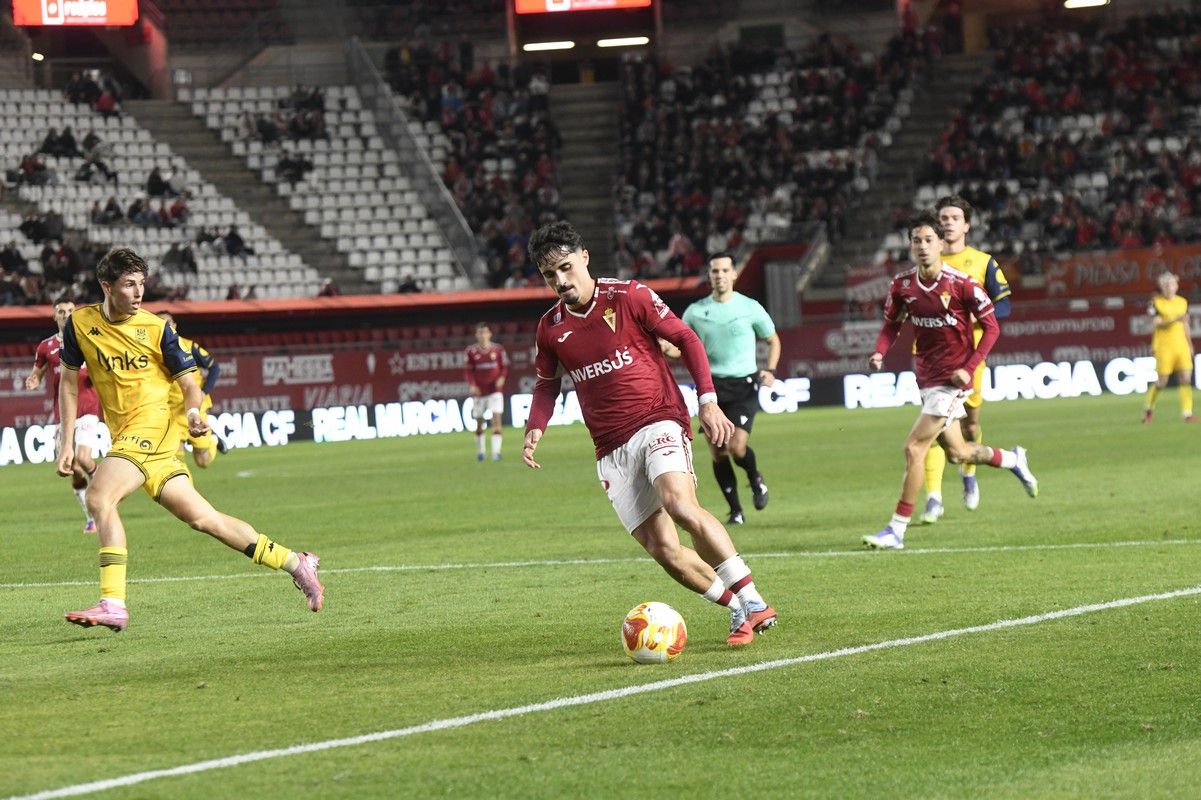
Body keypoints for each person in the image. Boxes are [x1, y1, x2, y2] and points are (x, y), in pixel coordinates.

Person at [521, 221, 777, 647]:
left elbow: (686, 339)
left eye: (566, 267)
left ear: (585, 257)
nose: (561, 281)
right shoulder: (550, 328)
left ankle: (753, 599)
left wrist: (707, 401)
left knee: (679, 504)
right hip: (609, 447)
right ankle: (735, 608)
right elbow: (547, 383)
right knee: (663, 549)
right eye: (550, 275)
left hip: (658, 418)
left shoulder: (629, 295)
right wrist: (535, 427)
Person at [55, 248, 323, 632]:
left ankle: (112, 602)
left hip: (152, 428)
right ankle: (297, 563)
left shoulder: (156, 329)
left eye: (142, 284)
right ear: (106, 286)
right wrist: (66, 444)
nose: (138, 292)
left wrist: (195, 414)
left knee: (99, 497)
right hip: (133, 437)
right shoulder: (80, 324)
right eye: (129, 284)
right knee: (204, 518)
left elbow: (189, 385)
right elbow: (67, 384)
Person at [863, 213, 1038, 551]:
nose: (923, 246)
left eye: (929, 240)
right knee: (957, 453)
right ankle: (1013, 459)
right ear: (911, 246)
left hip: (953, 380)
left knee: (914, 447)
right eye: (917, 241)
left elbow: (992, 327)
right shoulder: (902, 285)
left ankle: (896, 529)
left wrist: (970, 368)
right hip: (926, 377)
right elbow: (891, 324)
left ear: (941, 244)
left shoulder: (962, 284)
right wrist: (880, 352)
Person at [662, 252, 780, 525]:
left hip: (743, 385)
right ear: (709, 275)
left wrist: (771, 370)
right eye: (715, 271)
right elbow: (681, 345)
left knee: (737, 447)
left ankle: (755, 479)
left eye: (725, 270)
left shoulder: (750, 307)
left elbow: (773, 340)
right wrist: (666, 347)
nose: (720, 275)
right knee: (717, 451)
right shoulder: (695, 311)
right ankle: (735, 510)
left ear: (734, 274)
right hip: (711, 388)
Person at [919, 195, 1013, 524]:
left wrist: (971, 319)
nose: (947, 222)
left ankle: (969, 474)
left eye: (954, 217)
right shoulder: (925, 259)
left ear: (966, 225)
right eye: (942, 217)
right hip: (931, 357)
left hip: (969, 359)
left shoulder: (983, 262)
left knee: (970, 425)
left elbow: (1002, 307)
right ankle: (933, 497)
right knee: (932, 426)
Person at [25, 299, 105, 533]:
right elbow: (37, 372)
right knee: (73, 468)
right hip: (64, 415)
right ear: (55, 317)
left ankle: (106, 491)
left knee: (83, 458)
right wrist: (34, 380)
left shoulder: (88, 340)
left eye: (70, 311)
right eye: (61, 312)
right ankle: (91, 517)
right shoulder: (46, 346)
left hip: (88, 408)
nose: (66, 315)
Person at [157, 311, 227, 468]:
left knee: (203, 461)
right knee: (175, 461)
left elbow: (214, 367)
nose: (165, 327)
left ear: (175, 326)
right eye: (161, 324)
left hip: (193, 407)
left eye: (168, 323)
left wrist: (204, 391)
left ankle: (213, 440)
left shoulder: (188, 346)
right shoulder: (152, 351)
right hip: (171, 412)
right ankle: (182, 491)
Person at [1143, 272, 1194, 423]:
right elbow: (1157, 323)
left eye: (1171, 284)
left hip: (1181, 346)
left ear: (1176, 286)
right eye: (1165, 285)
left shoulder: (1182, 302)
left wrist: (1190, 344)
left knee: (1186, 378)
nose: (1168, 288)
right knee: (1162, 382)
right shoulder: (1154, 303)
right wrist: (1175, 319)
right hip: (1164, 347)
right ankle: (1149, 409)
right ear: (1161, 287)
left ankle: (1187, 413)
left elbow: (1185, 325)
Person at [464, 321, 508, 462]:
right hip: (479, 393)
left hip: (495, 391)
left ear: (490, 334)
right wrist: (471, 385)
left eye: (485, 332)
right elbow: (468, 371)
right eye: (480, 333)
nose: (483, 335)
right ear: (476, 335)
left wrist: (501, 378)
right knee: (479, 423)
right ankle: (481, 451)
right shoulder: (471, 351)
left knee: (496, 420)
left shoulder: (498, 350)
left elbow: (504, 367)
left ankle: (496, 453)